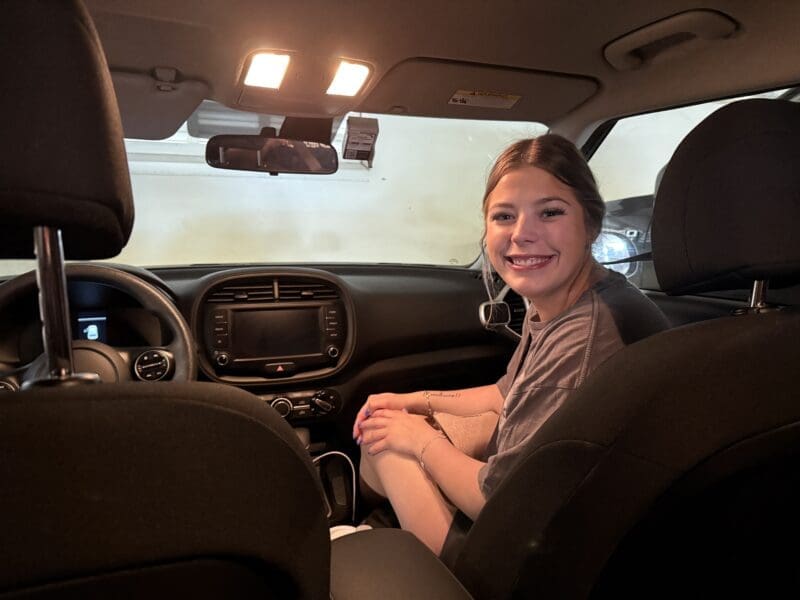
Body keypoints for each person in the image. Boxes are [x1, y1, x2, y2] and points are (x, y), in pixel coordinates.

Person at [353, 134, 670, 554]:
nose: (522, 234)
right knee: (388, 426)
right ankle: (385, 532)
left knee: (385, 445)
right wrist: (411, 402)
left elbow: (496, 501)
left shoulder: (585, 336)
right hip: (572, 505)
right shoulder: (581, 300)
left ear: (591, 224)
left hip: (528, 557)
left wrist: (418, 439)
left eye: (550, 212)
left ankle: (390, 552)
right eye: (504, 216)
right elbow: (506, 395)